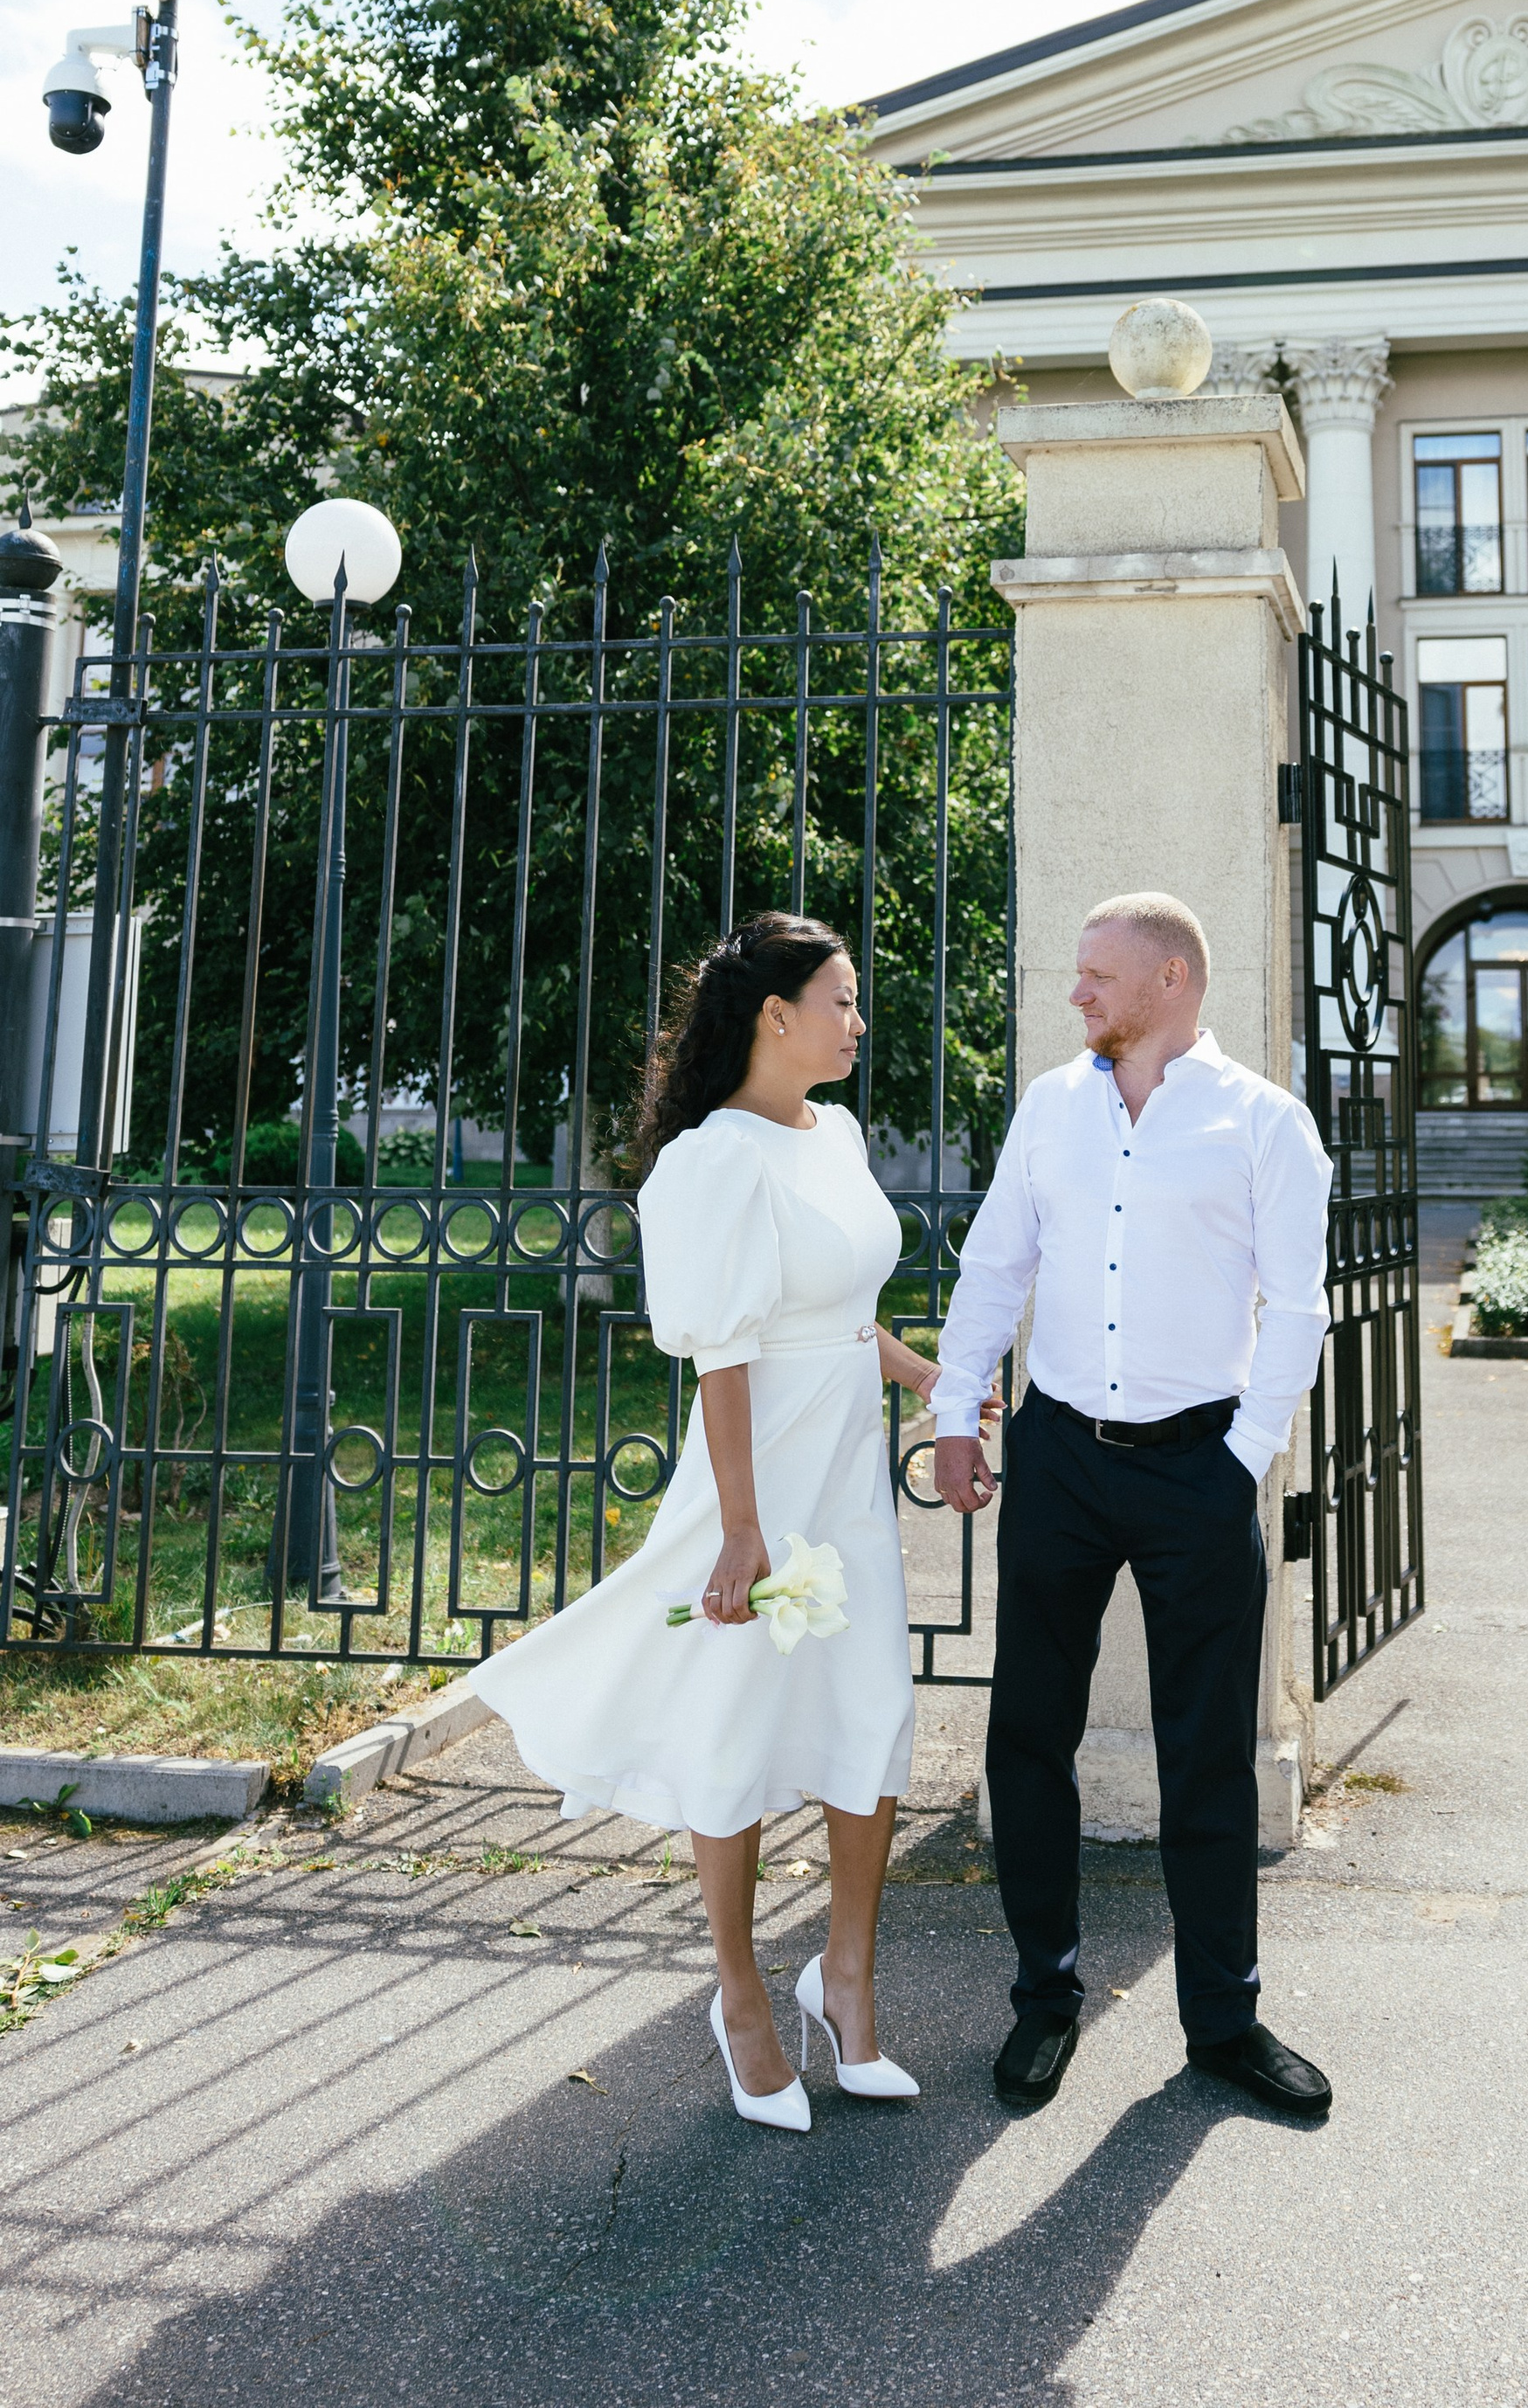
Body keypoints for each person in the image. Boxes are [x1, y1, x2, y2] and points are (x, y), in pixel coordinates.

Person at [471, 911, 990, 2134]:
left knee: (871, 1714)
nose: (858, 1023)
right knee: (739, 1722)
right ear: (776, 1014)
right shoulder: (712, 1160)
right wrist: (743, 1533)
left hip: (848, 1469)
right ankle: (743, 1994)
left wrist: (936, 1386)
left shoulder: (840, 1134)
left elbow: (844, 1313)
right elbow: (725, 1352)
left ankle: (846, 1981)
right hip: (755, 1472)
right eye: (844, 1001)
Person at [931, 889, 1337, 2121]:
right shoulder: (1052, 1107)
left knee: (1206, 1753)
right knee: (1028, 1735)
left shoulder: (1264, 1124)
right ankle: (1044, 2003)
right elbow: (997, 1261)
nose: (1078, 994)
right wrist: (959, 1411)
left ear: (1171, 978)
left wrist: (1243, 1458)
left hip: (1196, 1467)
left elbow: (1300, 1306)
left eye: (1098, 974)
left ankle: (1224, 2024)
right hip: (1057, 1456)